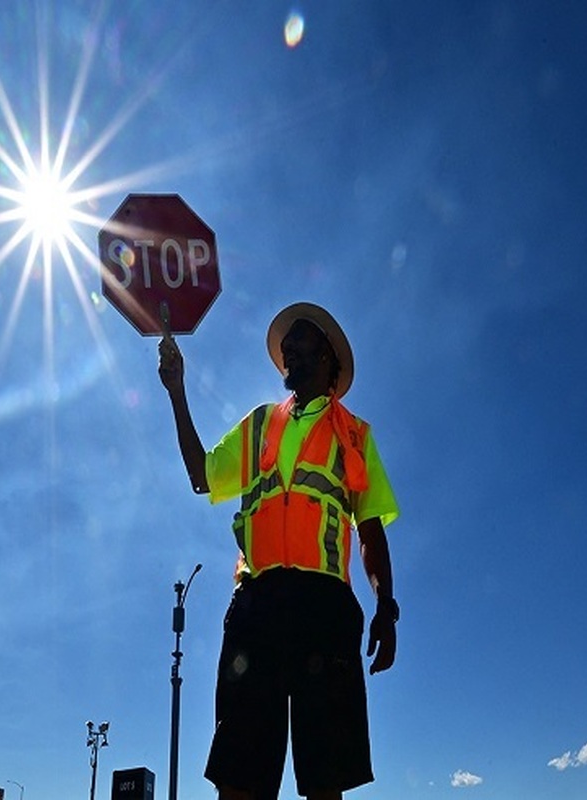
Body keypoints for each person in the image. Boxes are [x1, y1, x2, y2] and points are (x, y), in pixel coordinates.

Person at [158, 302, 401, 800]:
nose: (288, 347)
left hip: (325, 609)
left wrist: (386, 606)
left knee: (325, 777)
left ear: (330, 358)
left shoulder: (356, 435)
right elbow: (202, 477)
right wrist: (177, 391)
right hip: (258, 606)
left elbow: (369, 528)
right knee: (240, 778)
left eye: (301, 337)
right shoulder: (260, 423)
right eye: (286, 342)